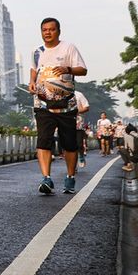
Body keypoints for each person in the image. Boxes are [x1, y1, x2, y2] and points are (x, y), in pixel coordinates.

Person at [28, 17, 88, 195]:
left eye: (51, 29)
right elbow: (34, 69)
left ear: (58, 31)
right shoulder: (36, 51)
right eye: (44, 29)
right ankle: (46, 178)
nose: (47, 32)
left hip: (66, 105)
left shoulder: (68, 48)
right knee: (43, 141)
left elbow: (83, 70)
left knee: (69, 144)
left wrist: (67, 69)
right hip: (43, 103)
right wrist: (31, 82)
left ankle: (70, 178)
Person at [73, 91, 90, 168]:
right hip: (66, 121)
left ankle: (81, 156)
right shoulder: (61, 94)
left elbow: (86, 107)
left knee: (79, 144)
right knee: (69, 146)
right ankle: (73, 165)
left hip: (78, 123)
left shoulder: (79, 94)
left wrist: (76, 111)